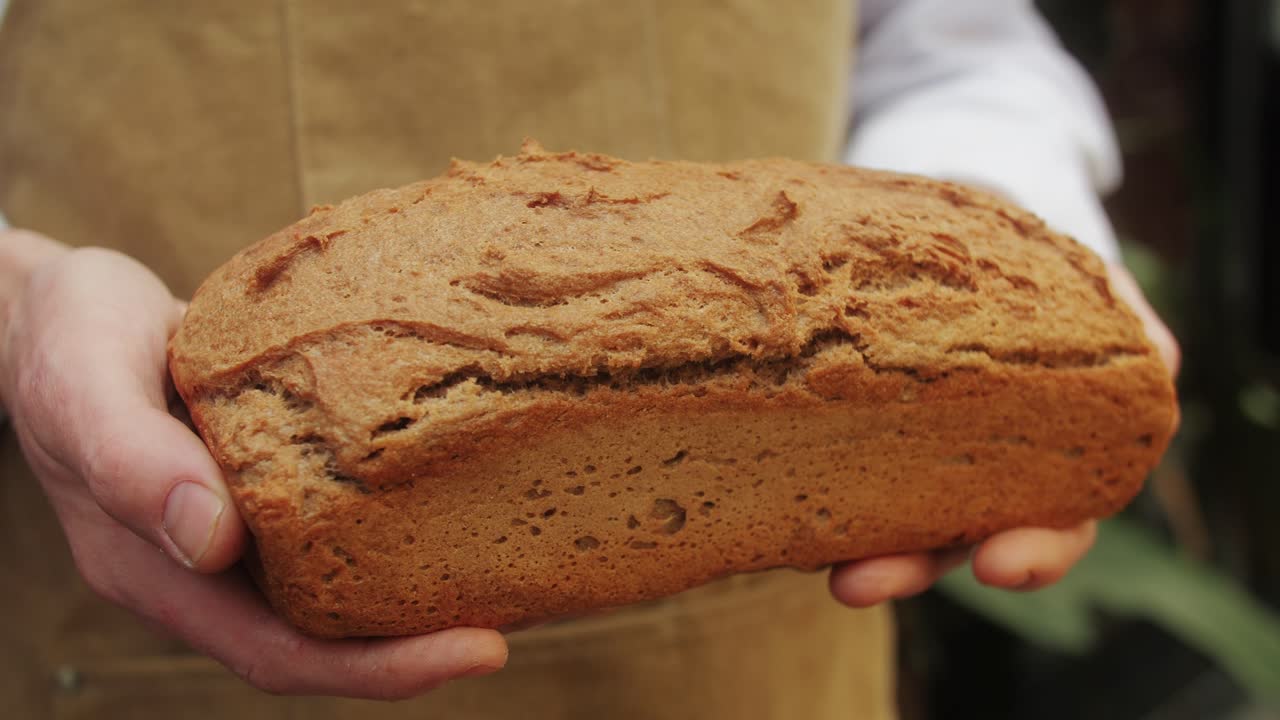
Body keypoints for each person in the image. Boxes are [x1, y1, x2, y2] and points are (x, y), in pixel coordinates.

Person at [0, 0, 1178, 717]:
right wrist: (18, 301)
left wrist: (1001, 241)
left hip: (765, 657)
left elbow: (950, 51)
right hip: (141, 579)